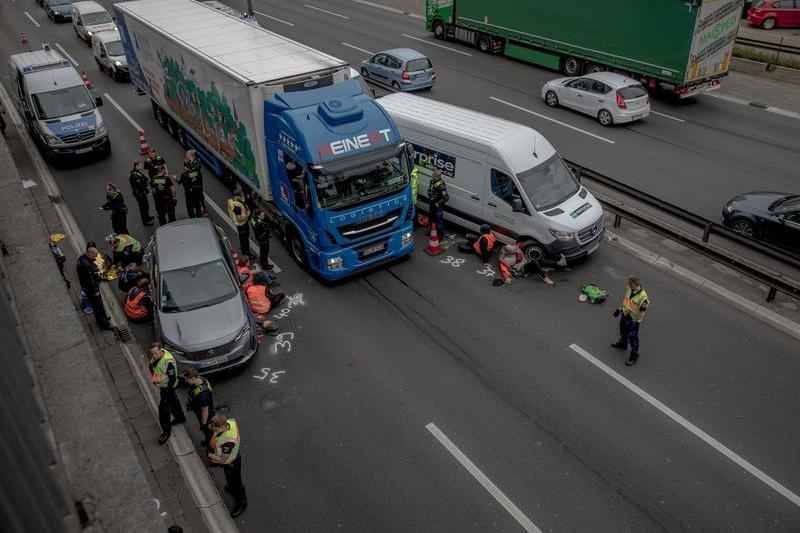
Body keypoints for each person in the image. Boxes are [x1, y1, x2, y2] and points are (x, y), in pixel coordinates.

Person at [207, 414, 247, 518]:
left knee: (237, 482)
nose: (214, 432)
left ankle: (242, 503)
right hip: (229, 462)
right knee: (229, 478)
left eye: (216, 430)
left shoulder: (228, 442)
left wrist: (210, 455)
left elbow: (222, 459)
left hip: (231, 462)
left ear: (224, 427)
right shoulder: (229, 422)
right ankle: (231, 487)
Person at [147, 342, 186, 444]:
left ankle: (166, 432)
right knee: (174, 401)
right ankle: (180, 417)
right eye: (152, 354)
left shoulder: (167, 362)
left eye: (155, 353)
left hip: (167, 388)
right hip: (165, 387)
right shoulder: (160, 356)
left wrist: (168, 389)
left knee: (163, 411)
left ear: (160, 350)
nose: (154, 356)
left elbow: (172, 378)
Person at [612, 276, 650, 366]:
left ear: (633, 284)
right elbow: (626, 300)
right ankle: (623, 344)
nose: (628, 285)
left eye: (629, 283)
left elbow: (642, 312)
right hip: (625, 314)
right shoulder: (629, 288)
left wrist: (635, 322)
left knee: (633, 338)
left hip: (633, 319)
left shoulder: (643, 297)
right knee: (623, 330)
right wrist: (619, 309)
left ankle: (634, 356)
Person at [76, 247, 113, 330]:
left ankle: (101, 319)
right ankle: (104, 324)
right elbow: (89, 280)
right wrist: (95, 290)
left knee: (98, 305)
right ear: (89, 254)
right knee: (98, 305)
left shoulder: (83, 259)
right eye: (95, 256)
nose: (96, 257)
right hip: (91, 289)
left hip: (90, 287)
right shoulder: (84, 264)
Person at [497, 244, 567, 286]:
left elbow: (519, 244)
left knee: (540, 260)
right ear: (509, 252)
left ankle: (559, 265)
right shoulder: (506, 260)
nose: (513, 248)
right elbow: (504, 270)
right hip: (522, 270)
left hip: (526, 262)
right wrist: (507, 278)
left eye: (512, 246)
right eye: (511, 248)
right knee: (534, 263)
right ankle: (544, 277)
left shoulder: (514, 248)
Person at [182, 368, 214, 446]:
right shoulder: (202, 379)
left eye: (187, 379)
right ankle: (208, 440)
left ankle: (210, 444)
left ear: (193, 378)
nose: (186, 381)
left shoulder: (202, 394)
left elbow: (205, 410)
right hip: (201, 408)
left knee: (207, 431)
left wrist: (203, 424)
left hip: (206, 415)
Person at [227, 190, 252, 258]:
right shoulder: (237, 207)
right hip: (242, 225)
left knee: (243, 239)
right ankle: (246, 254)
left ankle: (244, 251)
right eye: (241, 196)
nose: (242, 197)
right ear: (238, 196)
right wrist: (248, 214)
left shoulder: (233, 201)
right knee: (245, 240)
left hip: (241, 225)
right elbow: (239, 219)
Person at [129, 161, 154, 226]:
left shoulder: (138, 172)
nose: (141, 167)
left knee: (146, 205)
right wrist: (145, 178)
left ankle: (147, 217)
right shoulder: (133, 175)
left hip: (142, 192)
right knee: (143, 208)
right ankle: (145, 222)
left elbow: (143, 180)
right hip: (139, 194)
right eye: (140, 165)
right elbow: (140, 184)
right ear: (136, 166)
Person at [427, 170, 448, 238]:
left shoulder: (441, 185)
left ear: (437, 176)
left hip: (438, 206)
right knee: (431, 219)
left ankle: (440, 235)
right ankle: (431, 231)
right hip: (432, 204)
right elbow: (430, 189)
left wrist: (438, 203)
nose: (432, 174)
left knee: (439, 221)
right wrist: (429, 193)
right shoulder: (432, 181)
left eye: (433, 174)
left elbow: (446, 197)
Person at [410, 165, 419, 230]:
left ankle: (414, 226)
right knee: (414, 213)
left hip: (412, 199)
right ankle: (415, 226)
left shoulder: (412, 175)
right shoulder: (414, 174)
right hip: (414, 198)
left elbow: (410, 186)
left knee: (413, 214)